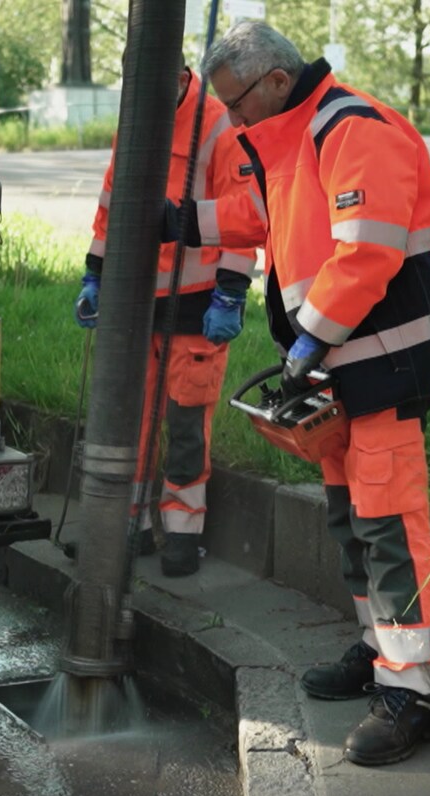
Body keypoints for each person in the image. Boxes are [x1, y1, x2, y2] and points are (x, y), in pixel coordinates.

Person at [170, 20, 430, 765]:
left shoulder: (351, 128)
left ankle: (413, 695)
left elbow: (365, 250)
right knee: (351, 518)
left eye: (236, 103)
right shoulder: (294, 134)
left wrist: (309, 337)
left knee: (388, 521)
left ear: (276, 79)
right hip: (346, 368)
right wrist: (183, 222)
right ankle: (380, 655)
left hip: (382, 364)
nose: (231, 119)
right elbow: (260, 216)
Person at [73, 58, 257, 577]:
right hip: (136, 302)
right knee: (130, 422)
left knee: (184, 425)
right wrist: (95, 274)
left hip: (197, 305)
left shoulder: (219, 123)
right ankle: (125, 527)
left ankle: (183, 532)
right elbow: (111, 204)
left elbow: (242, 215)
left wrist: (231, 292)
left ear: (178, 79)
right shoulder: (134, 122)